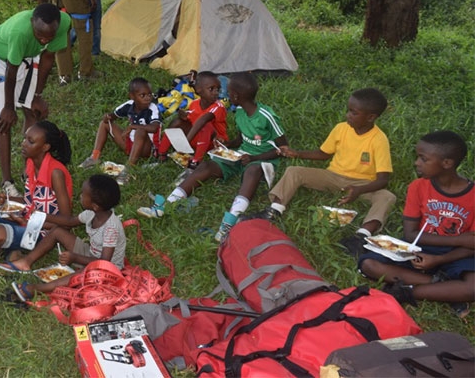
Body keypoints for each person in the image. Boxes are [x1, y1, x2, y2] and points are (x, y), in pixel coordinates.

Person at [259, 87, 394, 258]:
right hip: (332, 177)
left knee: (387, 197)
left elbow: (383, 179)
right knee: (294, 171)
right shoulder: (341, 128)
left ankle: (362, 236)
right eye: (348, 110)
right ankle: (274, 210)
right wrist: (297, 153)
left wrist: (359, 190)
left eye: (354, 113)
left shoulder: (379, 140)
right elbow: (324, 154)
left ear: (371, 117)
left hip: (361, 184)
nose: (348, 115)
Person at [358, 130, 474, 317]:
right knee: (369, 264)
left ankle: (406, 292)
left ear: (447, 163)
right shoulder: (418, 187)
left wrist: (440, 259)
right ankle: (442, 286)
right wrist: (459, 239)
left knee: (473, 287)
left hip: (456, 255)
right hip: (419, 248)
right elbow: (411, 233)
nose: (416, 163)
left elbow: (471, 245)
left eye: (423, 159)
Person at [165, 72, 287, 241]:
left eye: (228, 92)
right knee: (207, 166)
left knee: (252, 172)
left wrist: (253, 158)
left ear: (236, 96)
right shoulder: (240, 112)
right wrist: (227, 146)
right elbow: (241, 139)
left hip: (262, 158)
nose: (226, 95)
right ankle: (169, 202)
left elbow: (283, 148)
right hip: (241, 155)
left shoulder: (266, 116)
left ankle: (230, 220)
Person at [0, 3, 71, 198]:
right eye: (39, 35)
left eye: (49, 36)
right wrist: (8, 107)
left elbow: (48, 58)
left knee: (32, 111)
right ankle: (7, 181)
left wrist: (37, 96)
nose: (44, 40)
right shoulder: (20, 32)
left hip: (26, 57)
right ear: (32, 22)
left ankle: (28, 171)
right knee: (4, 120)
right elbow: (11, 70)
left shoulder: (64, 23)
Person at [0, 120, 73, 260]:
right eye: (25, 138)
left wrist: (27, 222)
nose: (24, 143)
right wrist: (7, 200)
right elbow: (30, 200)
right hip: (25, 216)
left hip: (43, 231)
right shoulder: (31, 162)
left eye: (31, 142)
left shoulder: (55, 173)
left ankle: (10, 244)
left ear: (45, 147)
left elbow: (66, 221)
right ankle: (9, 245)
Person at [5, 174, 125, 301]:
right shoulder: (91, 214)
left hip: (107, 270)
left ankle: (37, 289)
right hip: (92, 255)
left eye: (84, 194)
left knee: (80, 274)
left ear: (95, 205)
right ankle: (26, 262)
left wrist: (75, 257)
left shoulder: (111, 228)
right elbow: (69, 221)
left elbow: (104, 262)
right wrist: (43, 215)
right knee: (57, 231)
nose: (80, 196)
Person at [78, 77, 161, 186]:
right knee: (104, 124)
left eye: (149, 94)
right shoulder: (129, 105)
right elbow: (113, 115)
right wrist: (107, 117)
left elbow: (154, 127)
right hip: (130, 143)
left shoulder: (152, 108)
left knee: (140, 131)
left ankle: (129, 169)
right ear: (132, 96)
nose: (147, 98)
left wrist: (133, 127)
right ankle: (94, 157)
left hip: (147, 148)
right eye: (142, 95)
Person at [155, 71, 229, 167]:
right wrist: (183, 116)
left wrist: (187, 140)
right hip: (197, 138)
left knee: (205, 126)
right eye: (211, 89)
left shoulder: (218, 106)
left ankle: (196, 161)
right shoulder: (194, 103)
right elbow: (192, 118)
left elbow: (203, 120)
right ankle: (161, 154)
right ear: (198, 90)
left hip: (215, 143)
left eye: (218, 89)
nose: (216, 93)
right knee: (177, 122)